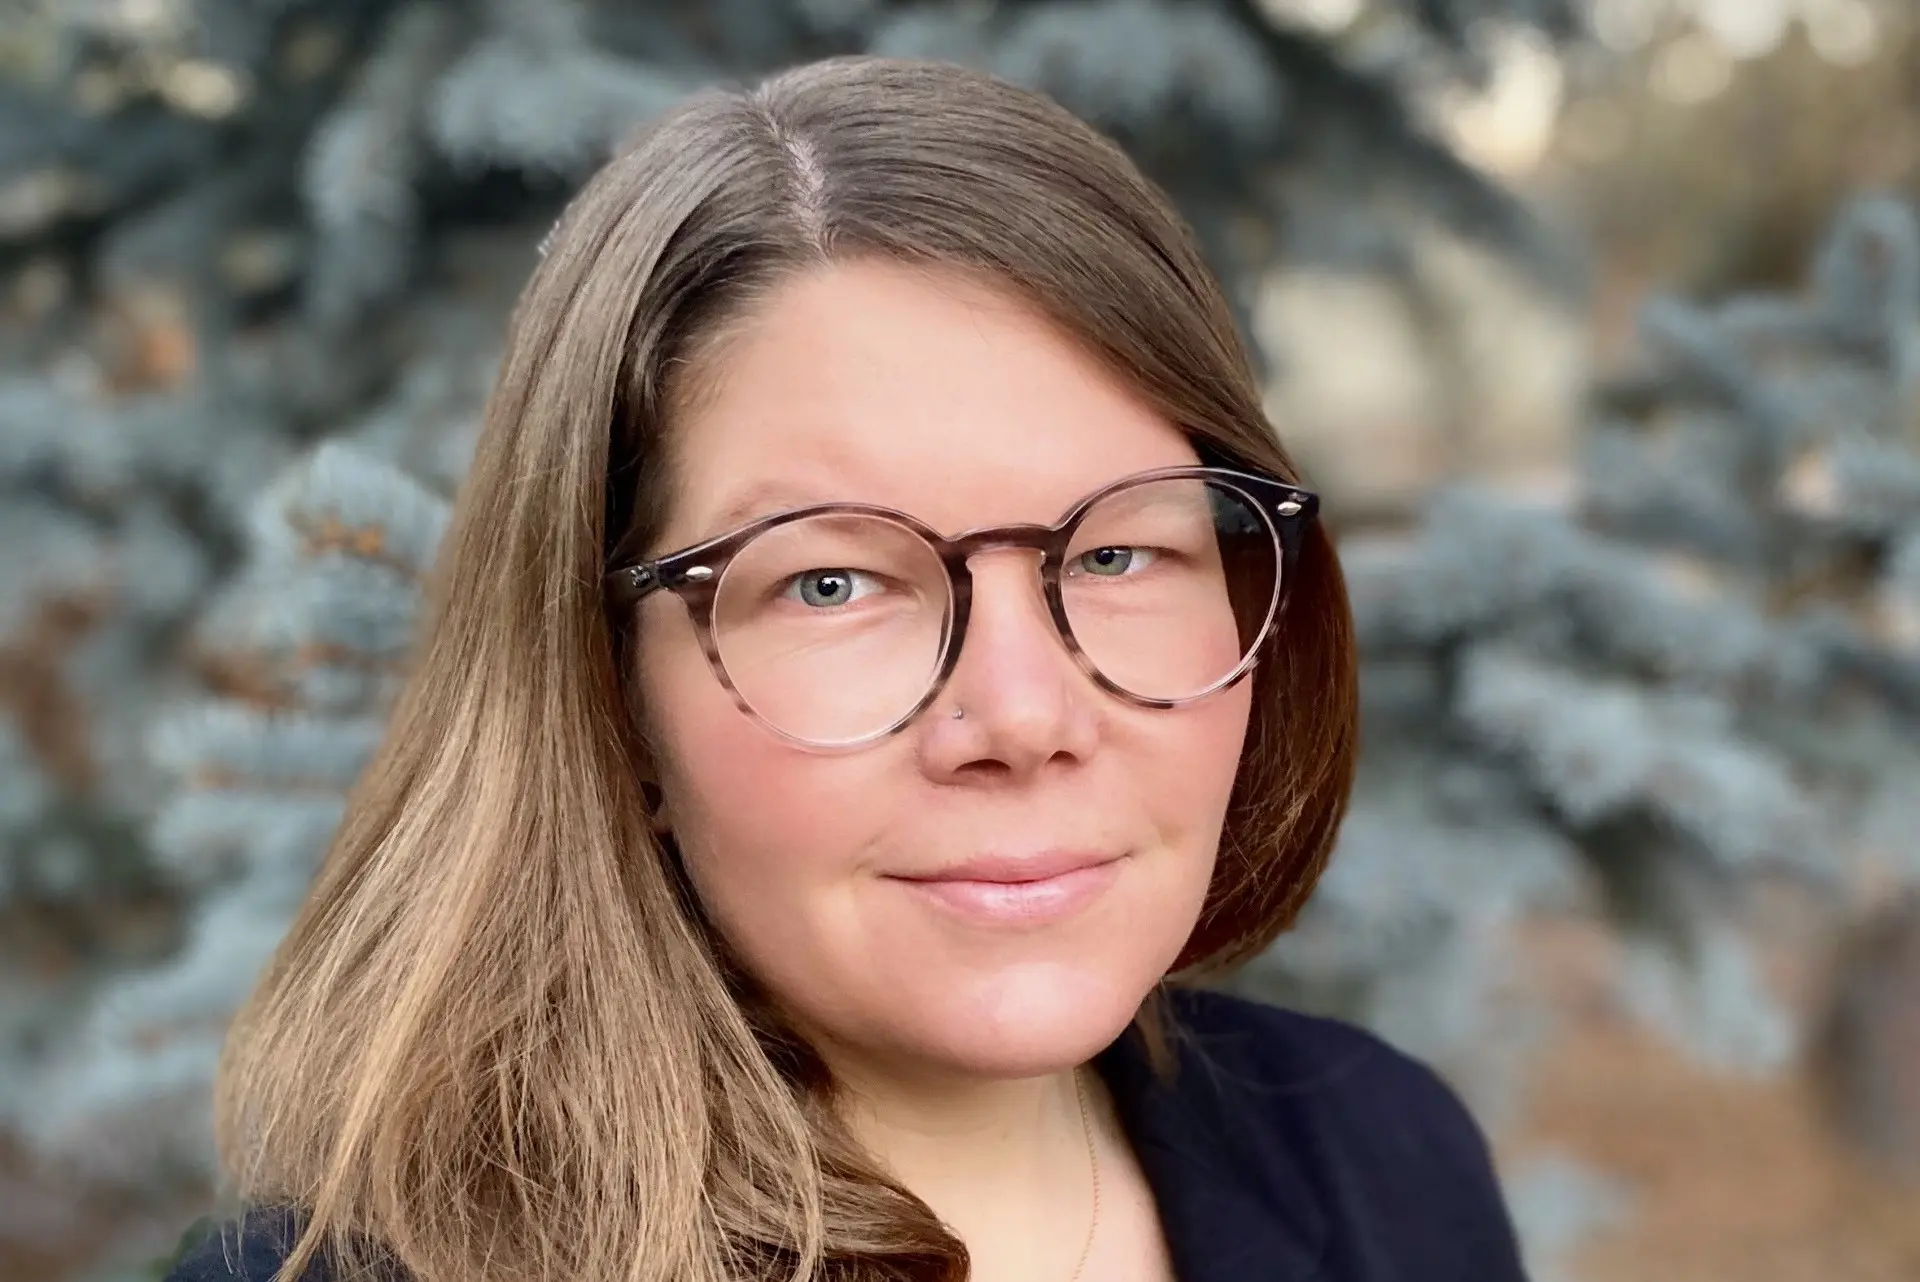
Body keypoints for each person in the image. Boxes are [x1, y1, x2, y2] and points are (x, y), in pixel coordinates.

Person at [163, 53, 1527, 1282]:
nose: (1022, 714)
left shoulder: (1381, 1160)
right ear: (610, 692)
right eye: (833, 581)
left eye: (1119, 554)